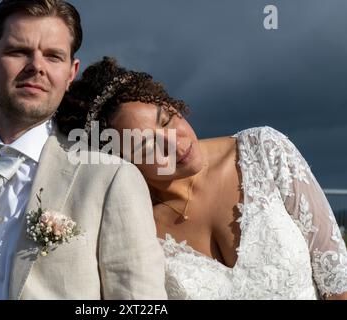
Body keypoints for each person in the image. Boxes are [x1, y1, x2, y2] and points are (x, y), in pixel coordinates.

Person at [0, 2, 167, 300]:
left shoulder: (110, 179)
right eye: (18, 51)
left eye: (53, 56)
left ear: (70, 74)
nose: (36, 66)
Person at [56, 56, 347, 300]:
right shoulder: (135, 223)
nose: (175, 143)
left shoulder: (264, 150)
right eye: (146, 146)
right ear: (122, 162)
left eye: (167, 119)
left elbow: (338, 282)